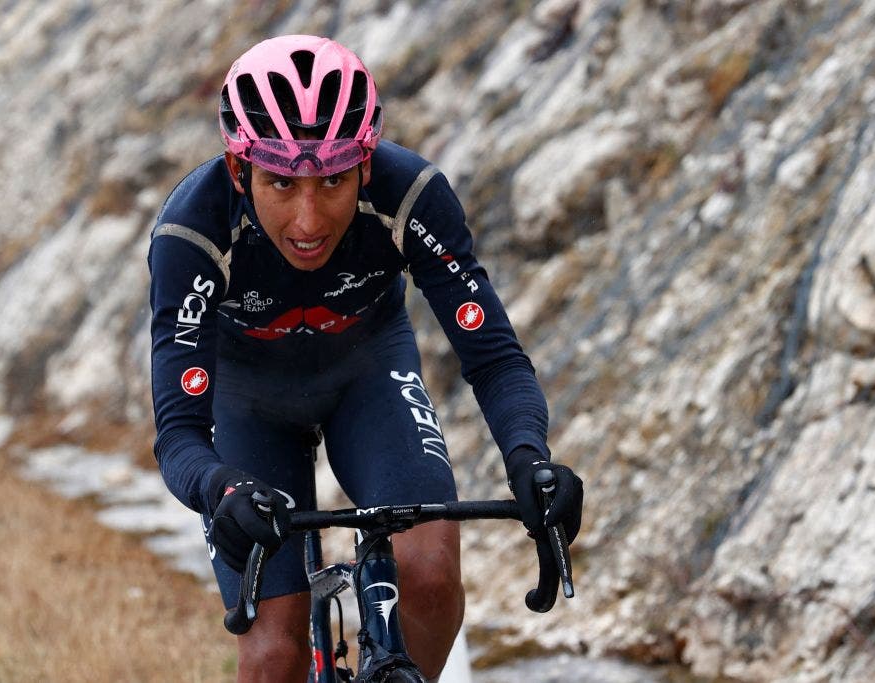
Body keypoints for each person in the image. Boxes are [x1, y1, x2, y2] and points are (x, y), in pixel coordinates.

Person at [147, 34, 582, 681]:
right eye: (280, 181)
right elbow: (179, 431)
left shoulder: (410, 194)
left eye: (333, 179)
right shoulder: (194, 230)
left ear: (366, 165)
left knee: (430, 578)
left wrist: (529, 457)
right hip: (249, 402)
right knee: (273, 652)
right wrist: (221, 487)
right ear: (240, 171)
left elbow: (494, 358)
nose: (308, 220)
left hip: (367, 374)